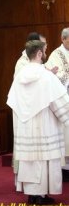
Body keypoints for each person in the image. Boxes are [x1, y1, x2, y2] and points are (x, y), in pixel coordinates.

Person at [7, 40, 69, 205]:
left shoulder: (19, 76)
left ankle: (32, 194)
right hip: (45, 126)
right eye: (45, 50)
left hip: (26, 129)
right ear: (40, 53)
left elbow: (12, 101)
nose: (46, 53)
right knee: (44, 160)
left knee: (30, 162)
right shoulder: (46, 75)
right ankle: (41, 195)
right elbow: (60, 103)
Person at [45, 28, 69, 175]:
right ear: (63, 39)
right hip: (64, 99)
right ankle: (65, 168)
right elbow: (51, 75)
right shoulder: (56, 55)